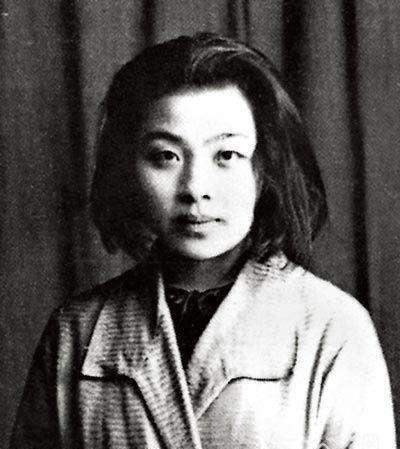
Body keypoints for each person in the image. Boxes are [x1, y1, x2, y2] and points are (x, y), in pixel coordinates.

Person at [10, 33, 395, 449]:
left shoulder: (333, 327)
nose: (195, 188)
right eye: (166, 156)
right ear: (129, 169)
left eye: (226, 156)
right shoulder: (76, 331)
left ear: (264, 170)